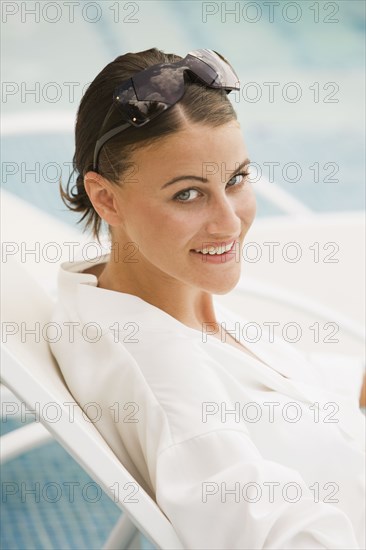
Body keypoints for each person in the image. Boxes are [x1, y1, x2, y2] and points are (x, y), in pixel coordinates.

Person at [49, 47, 365, 549]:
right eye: (187, 194)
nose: (230, 221)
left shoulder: (171, 301)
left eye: (236, 180)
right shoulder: (164, 378)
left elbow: (304, 391)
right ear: (105, 197)